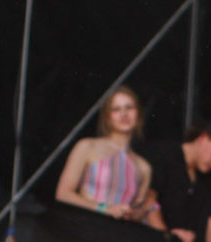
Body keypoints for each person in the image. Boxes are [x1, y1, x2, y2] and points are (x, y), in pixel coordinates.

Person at [54, 85, 154, 221]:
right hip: (85, 226)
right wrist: (104, 209)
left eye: (129, 107)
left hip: (119, 231)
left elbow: (138, 213)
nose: (124, 114)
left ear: (138, 114)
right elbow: (63, 194)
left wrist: (137, 213)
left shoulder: (144, 167)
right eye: (116, 109)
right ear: (107, 117)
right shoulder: (87, 146)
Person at [142, 115, 211, 242]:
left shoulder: (206, 180)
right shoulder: (164, 155)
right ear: (203, 138)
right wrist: (167, 238)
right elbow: (149, 201)